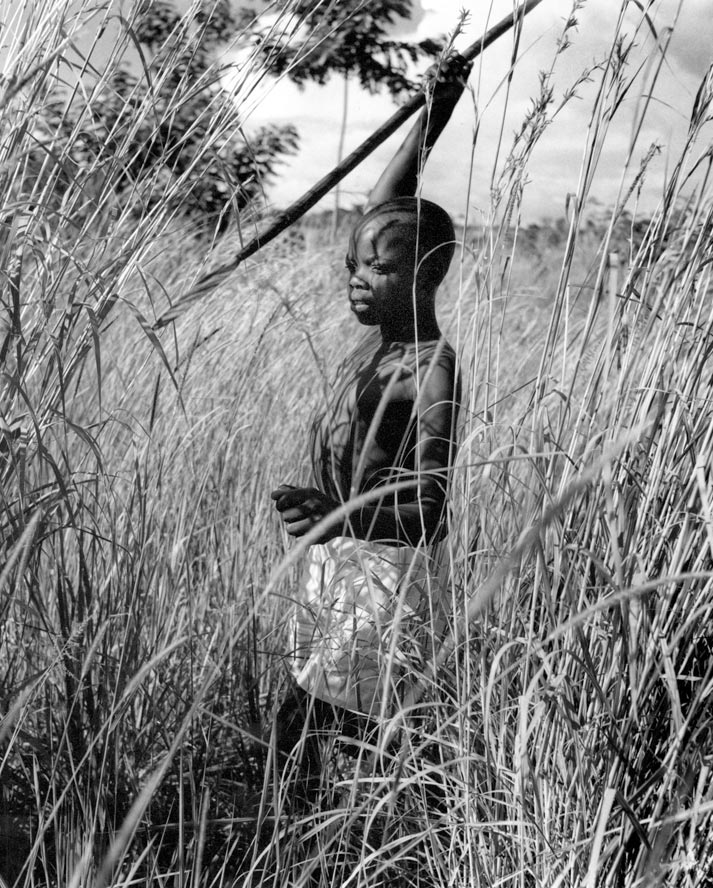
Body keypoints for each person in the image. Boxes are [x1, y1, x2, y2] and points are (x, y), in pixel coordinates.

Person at [270, 54, 471, 776]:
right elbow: (386, 209)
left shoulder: (429, 368)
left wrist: (340, 517)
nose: (357, 279)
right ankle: (326, 824)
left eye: (379, 269)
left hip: (385, 570)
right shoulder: (383, 341)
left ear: (426, 274)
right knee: (320, 715)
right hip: (341, 556)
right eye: (353, 265)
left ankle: (332, 832)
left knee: (325, 727)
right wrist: (434, 112)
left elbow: (431, 508)